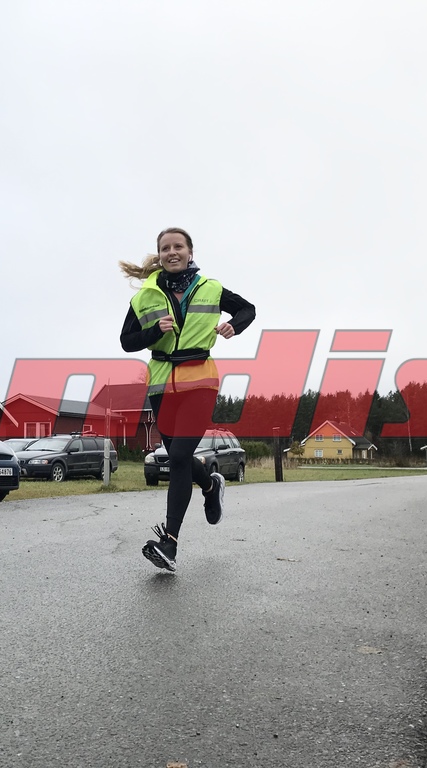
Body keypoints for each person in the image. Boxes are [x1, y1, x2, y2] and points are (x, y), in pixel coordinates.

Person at [119, 227, 256, 572]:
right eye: (165, 248)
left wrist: (233, 327)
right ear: (160, 255)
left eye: (178, 246)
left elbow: (248, 309)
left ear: (190, 252)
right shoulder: (145, 297)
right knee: (179, 458)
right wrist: (154, 331)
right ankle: (210, 484)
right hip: (162, 384)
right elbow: (127, 341)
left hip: (199, 380)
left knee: (178, 455)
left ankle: (170, 543)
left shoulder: (210, 287)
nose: (172, 252)